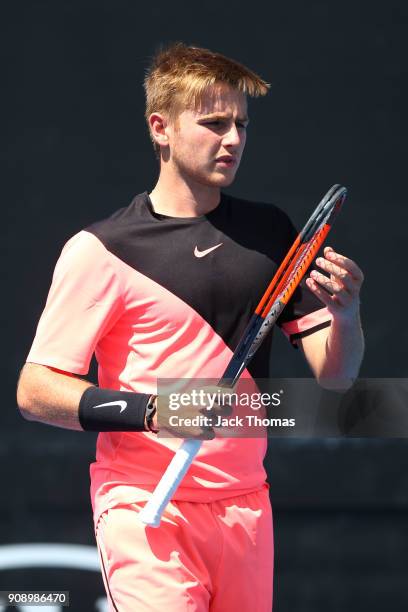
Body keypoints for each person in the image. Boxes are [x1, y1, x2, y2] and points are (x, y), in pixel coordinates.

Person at [17, 42, 364, 611]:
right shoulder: (100, 250)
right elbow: (35, 391)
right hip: (143, 506)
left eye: (241, 125)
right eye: (214, 123)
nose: (233, 139)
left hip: (246, 508)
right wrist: (157, 412)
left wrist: (346, 317)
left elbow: (336, 378)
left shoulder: (272, 233)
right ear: (161, 128)